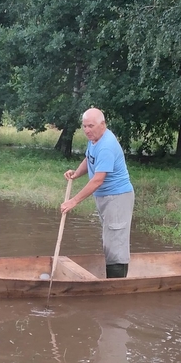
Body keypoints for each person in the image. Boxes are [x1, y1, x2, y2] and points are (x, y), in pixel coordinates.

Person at [61, 108, 135, 278]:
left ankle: (116, 286)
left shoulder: (107, 145)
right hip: (105, 197)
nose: (87, 130)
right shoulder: (94, 140)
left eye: (91, 126)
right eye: (84, 126)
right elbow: (89, 158)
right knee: (109, 239)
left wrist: (73, 201)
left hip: (117, 198)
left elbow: (97, 180)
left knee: (115, 244)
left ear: (103, 125)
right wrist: (76, 174)